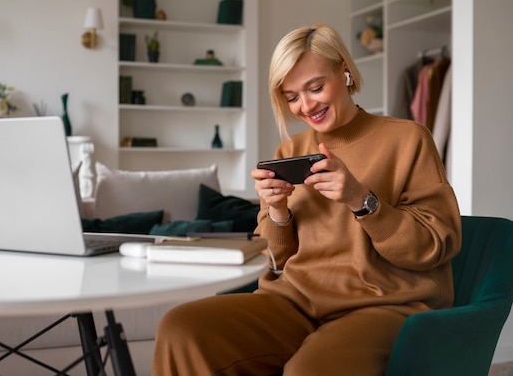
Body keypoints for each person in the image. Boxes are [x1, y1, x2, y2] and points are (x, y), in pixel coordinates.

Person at [151, 23, 461, 376]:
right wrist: (278, 211)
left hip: (383, 306)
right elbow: (276, 259)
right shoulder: (291, 151)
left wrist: (362, 199)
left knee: (310, 370)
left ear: (344, 70)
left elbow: (436, 245)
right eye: (292, 96)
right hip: (294, 303)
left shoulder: (407, 139)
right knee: (181, 327)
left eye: (316, 87)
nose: (306, 105)